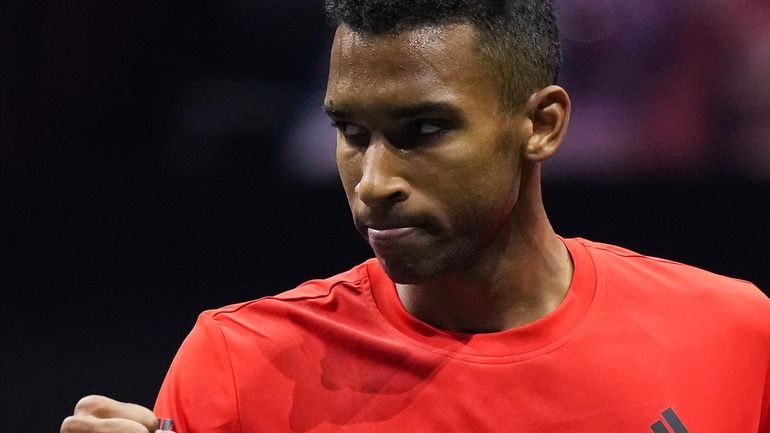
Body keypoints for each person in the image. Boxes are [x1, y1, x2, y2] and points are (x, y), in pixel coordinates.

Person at [61, 1, 770, 432]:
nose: (374, 183)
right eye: (352, 132)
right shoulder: (237, 368)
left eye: (422, 130)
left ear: (542, 124)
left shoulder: (735, 336)